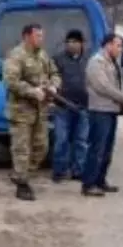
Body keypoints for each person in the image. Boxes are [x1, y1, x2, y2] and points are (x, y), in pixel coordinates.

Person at [2, 23, 61, 201]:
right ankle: (22, 184)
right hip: (21, 112)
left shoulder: (42, 55)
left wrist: (54, 86)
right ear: (27, 36)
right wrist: (32, 91)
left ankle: (22, 174)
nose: (41, 39)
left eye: (42, 36)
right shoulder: (16, 55)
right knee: (22, 149)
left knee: (42, 147)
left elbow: (55, 72)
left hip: (40, 111)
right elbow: (11, 81)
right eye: (38, 36)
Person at [81, 33, 123, 196]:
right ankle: (88, 184)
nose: (120, 49)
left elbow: (120, 82)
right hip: (100, 110)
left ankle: (100, 180)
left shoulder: (114, 62)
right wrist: (122, 97)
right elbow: (103, 86)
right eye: (118, 45)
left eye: (121, 46)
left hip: (112, 110)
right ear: (108, 45)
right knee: (97, 148)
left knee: (107, 149)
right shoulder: (97, 62)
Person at [51, 30, 90, 182]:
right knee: (61, 140)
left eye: (74, 41)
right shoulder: (58, 59)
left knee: (81, 141)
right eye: (68, 42)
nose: (71, 44)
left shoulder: (89, 59)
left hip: (83, 107)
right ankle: (59, 171)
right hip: (63, 106)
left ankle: (78, 171)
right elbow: (52, 78)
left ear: (81, 43)